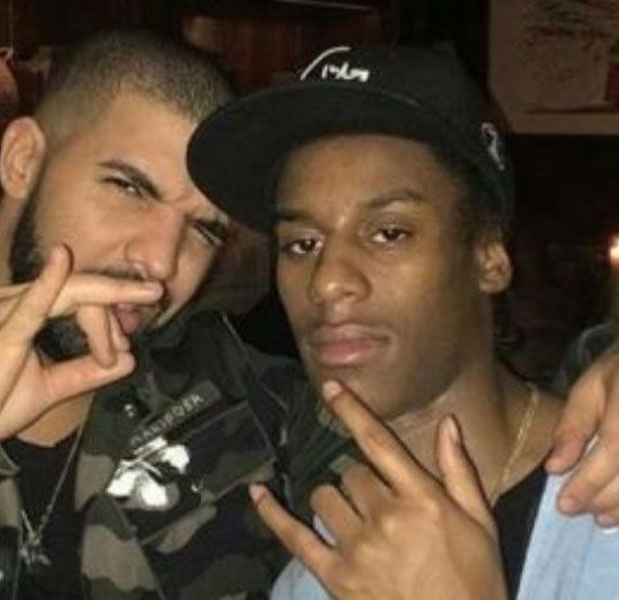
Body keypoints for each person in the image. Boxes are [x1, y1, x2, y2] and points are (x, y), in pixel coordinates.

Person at [0, 32, 617, 600]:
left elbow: (460, 401)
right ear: (23, 159)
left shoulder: (246, 405)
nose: (158, 263)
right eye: (129, 187)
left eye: (203, 229)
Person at [186, 44, 619, 598]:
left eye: (389, 233)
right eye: (302, 243)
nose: (327, 281)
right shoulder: (327, 568)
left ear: (489, 257)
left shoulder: (605, 497)